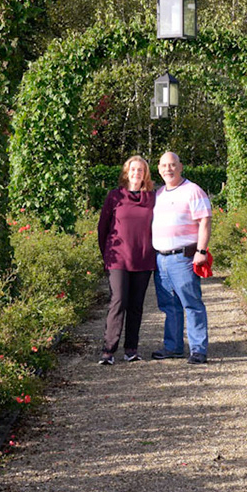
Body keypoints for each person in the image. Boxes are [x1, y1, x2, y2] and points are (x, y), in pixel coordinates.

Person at [150, 149, 213, 364]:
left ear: (180, 166)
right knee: (169, 306)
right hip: (161, 259)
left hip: (183, 258)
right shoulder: (159, 194)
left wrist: (201, 251)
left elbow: (205, 221)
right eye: (164, 165)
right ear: (158, 169)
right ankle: (173, 346)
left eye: (172, 164)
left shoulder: (193, 190)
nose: (168, 169)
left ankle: (198, 349)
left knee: (191, 303)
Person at [96, 155, 157, 366]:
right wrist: (106, 254)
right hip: (118, 258)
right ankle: (108, 350)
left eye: (141, 170)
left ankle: (131, 349)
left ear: (145, 174)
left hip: (143, 257)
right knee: (118, 301)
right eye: (133, 169)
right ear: (126, 172)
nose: (136, 173)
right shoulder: (114, 196)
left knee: (136, 305)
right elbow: (102, 227)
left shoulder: (152, 198)